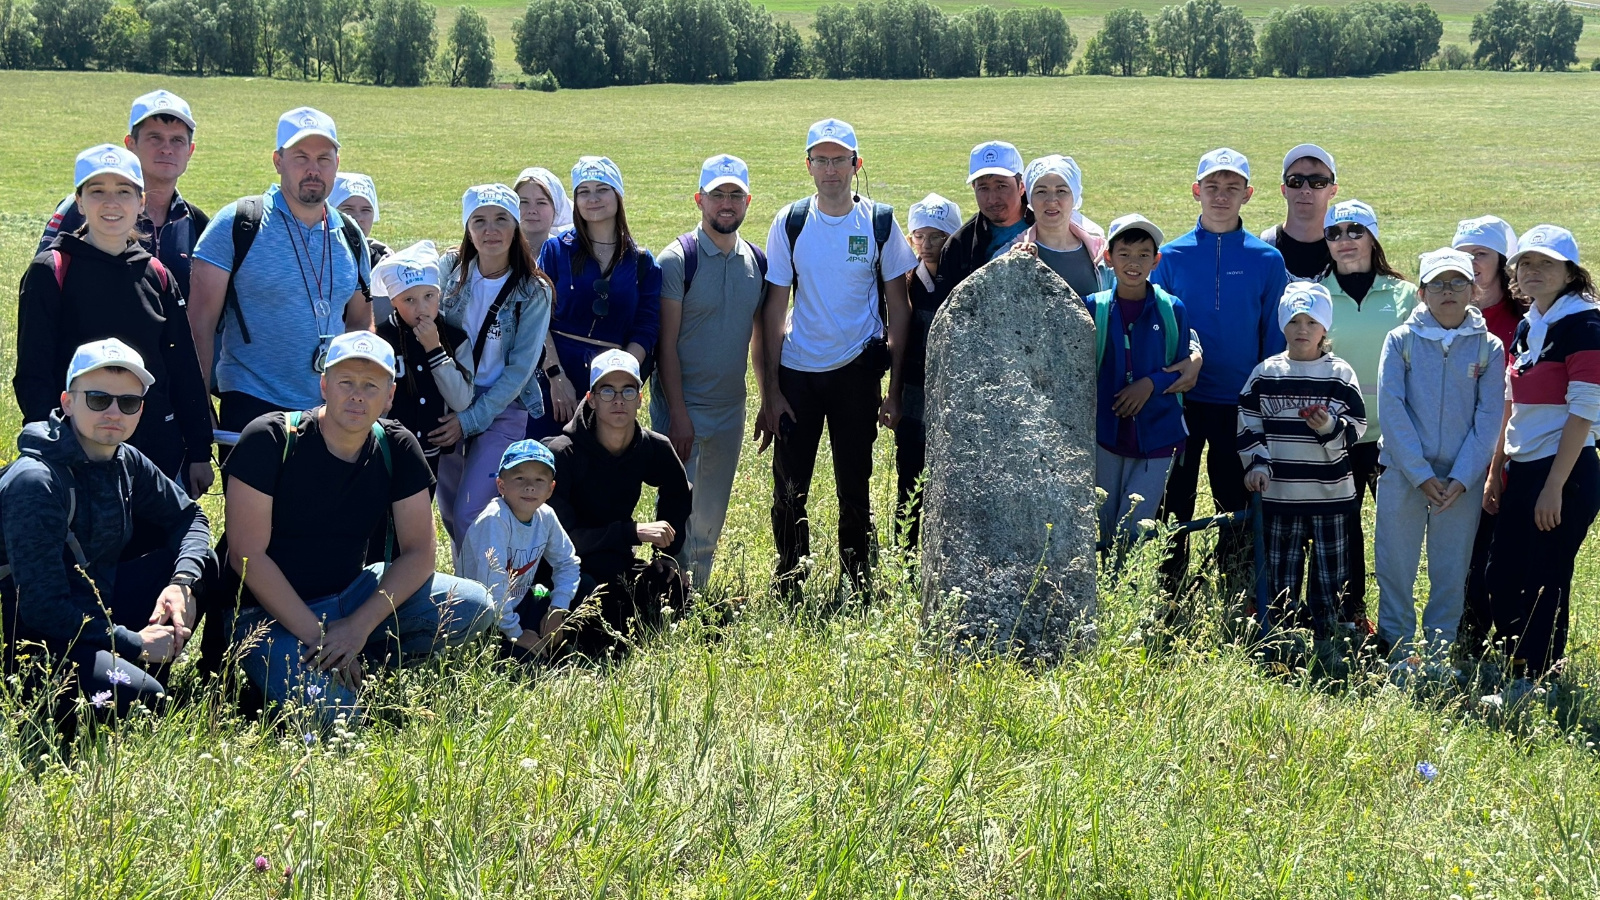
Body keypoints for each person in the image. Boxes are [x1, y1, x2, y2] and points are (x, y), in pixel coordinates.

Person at [218, 331, 494, 725]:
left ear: (390, 394)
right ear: (325, 384)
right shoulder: (271, 438)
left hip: (353, 595)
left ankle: (360, 659)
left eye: (371, 385)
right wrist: (319, 636)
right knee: (342, 721)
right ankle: (324, 669)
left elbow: (420, 553)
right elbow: (248, 556)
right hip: (266, 613)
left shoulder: (396, 446)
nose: (357, 395)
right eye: (346, 382)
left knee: (476, 606)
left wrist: (356, 628)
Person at [0, 340, 210, 720]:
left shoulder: (126, 460)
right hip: (36, 644)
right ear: (67, 402)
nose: (114, 412)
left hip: (98, 610)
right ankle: (137, 667)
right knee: (148, 700)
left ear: (141, 409)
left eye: (127, 403)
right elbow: (41, 610)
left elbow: (190, 517)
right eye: (98, 399)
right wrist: (134, 643)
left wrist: (180, 584)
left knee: (203, 563)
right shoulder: (36, 482)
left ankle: (146, 662)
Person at [756, 118, 918, 598]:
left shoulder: (881, 224)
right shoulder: (790, 222)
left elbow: (900, 310)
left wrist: (893, 391)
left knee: (856, 485)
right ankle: (790, 577)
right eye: (821, 160)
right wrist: (770, 393)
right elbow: (772, 311)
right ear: (808, 167)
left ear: (856, 164)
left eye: (840, 159)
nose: (831, 170)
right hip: (797, 374)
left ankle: (860, 580)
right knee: (789, 488)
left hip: (856, 374)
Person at [15, 144, 213, 497]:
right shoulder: (53, 271)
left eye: (124, 192)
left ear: (141, 202)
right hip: (77, 453)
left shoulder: (157, 275)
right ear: (79, 201)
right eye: (97, 191)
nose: (111, 203)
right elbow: (34, 372)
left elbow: (182, 365)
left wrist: (199, 450)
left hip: (154, 454)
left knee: (153, 549)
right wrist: (53, 448)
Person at [1151, 148, 1289, 597]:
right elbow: (1161, 329)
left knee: (1236, 498)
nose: (1221, 196)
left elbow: (1273, 335)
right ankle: (1169, 588)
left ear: (1248, 195)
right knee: (1175, 500)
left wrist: (1264, 401)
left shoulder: (1267, 261)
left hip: (1240, 403)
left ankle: (1236, 590)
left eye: (1232, 188)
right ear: (1196, 192)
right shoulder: (1168, 257)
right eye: (1212, 187)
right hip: (1181, 400)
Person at [188, 107, 374, 433]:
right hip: (252, 407)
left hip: (330, 415)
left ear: (337, 165)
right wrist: (199, 411)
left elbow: (360, 322)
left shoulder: (350, 234)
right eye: (301, 157)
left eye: (324, 159)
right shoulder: (237, 225)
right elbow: (198, 327)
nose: (313, 170)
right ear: (278, 161)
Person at [1374, 248, 1504, 671]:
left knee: (1450, 570)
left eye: (1458, 282)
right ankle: (1396, 650)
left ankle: (1438, 655)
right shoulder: (1400, 340)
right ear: (1423, 291)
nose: (1448, 292)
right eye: (1438, 284)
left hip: (1460, 482)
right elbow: (1391, 409)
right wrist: (1419, 473)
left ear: (1473, 288)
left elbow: (1489, 417)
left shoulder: (1489, 346)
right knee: (1395, 564)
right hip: (1404, 474)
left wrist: (1465, 476)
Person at [1484, 225, 1600, 689]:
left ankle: (1535, 678)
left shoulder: (1586, 325)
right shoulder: (1532, 322)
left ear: (1570, 272)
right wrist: (1497, 469)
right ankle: (1518, 662)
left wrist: (1553, 486)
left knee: (1544, 578)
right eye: (1525, 263)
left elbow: (1585, 410)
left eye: (1546, 263)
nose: (1532, 272)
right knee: (1502, 573)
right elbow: (1511, 403)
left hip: (1565, 471)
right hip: (1523, 467)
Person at [648, 154, 769, 589]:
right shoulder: (678, 260)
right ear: (699, 200)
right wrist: (678, 414)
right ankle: (663, 594)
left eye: (736, 195)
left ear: (748, 201)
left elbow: (760, 340)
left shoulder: (758, 262)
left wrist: (768, 400)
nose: (727, 204)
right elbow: (666, 346)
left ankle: (694, 594)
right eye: (718, 194)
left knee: (712, 509)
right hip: (683, 408)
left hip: (729, 409)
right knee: (680, 505)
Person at [1238, 282, 1366, 672]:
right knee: (1281, 572)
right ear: (1282, 325)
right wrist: (1258, 465)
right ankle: (1282, 644)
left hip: (1331, 495)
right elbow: (1248, 425)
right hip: (1281, 495)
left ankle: (1329, 645)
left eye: (1311, 321)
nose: (1302, 329)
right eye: (1294, 320)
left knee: (1331, 576)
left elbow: (1356, 427)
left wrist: (1329, 427)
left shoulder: (1339, 374)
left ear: (1325, 328)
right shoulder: (1266, 374)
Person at [546, 350, 690, 658]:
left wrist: (666, 554)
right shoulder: (564, 454)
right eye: (607, 390)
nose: (618, 400)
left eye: (628, 390)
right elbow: (564, 541)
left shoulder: (651, 446)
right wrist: (633, 532)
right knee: (593, 605)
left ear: (640, 399)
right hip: (563, 570)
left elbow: (678, 489)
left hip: (615, 558)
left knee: (674, 588)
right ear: (592, 398)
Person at [435, 184, 555, 546]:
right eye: (480, 221)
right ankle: (459, 597)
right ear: (467, 229)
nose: (491, 230)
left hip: (503, 406)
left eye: (502, 219)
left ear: (516, 226)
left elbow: (519, 370)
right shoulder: (449, 270)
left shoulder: (535, 290)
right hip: (449, 400)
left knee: (474, 512)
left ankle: (483, 601)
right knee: (452, 511)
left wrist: (470, 420)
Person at [1318, 199, 1417, 629]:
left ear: (1373, 237)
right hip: (1339, 436)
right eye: (1335, 233)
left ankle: (1400, 619)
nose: (1345, 241)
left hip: (1394, 436)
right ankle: (1351, 613)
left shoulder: (1407, 295)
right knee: (1344, 529)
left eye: (1355, 231)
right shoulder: (1317, 294)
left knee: (1398, 532)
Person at [529, 157, 662, 441]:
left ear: (618, 194)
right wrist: (555, 376)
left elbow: (646, 327)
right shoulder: (556, 250)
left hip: (609, 381)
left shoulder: (642, 262)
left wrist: (618, 379)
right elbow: (537, 318)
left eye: (602, 189)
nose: (592, 199)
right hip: (555, 377)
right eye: (583, 191)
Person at [38, 89, 209, 301]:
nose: (167, 149)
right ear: (130, 145)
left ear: (190, 151)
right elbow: (43, 283)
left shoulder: (197, 223)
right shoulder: (80, 210)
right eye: (155, 138)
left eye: (177, 140)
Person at [1086, 215, 1190, 558]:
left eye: (1144, 254)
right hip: (1106, 436)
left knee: (1133, 533)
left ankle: (1126, 599)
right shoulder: (1094, 307)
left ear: (1156, 260)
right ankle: (1105, 603)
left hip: (1158, 439)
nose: (1134, 263)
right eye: (1125, 253)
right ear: (1108, 257)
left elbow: (1182, 369)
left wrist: (1149, 384)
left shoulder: (1172, 310)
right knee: (1103, 528)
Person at [1452, 214, 1524, 654]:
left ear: (1502, 261)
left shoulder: (1523, 319)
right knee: (1464, 558)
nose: (1472, 264)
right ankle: (1468, 639)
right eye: (1463, 255)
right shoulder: (1449, 313)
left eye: (1481, 254)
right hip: (1460, 454)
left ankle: (1514, 645)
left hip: (1511, 456)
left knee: (1502, 559)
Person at [457, 440, 580, 658]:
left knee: (580, 591)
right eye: (519, 478)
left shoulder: (546, 516)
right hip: (482, 615)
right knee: (522, 660)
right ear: (501, 485)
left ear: (551, 488)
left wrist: (557, 609)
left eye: (539, 479)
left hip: (517, 603)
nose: (530, 487)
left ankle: (554, 646)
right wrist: (516, 633)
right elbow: (493, 587)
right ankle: (527, 650)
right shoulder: (495, 520)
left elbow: (567, 562)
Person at [370, 240, 472, 474]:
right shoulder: (380, 339)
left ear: (439, 294)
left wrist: (434, 349)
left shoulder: (456, 339)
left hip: (429, 453)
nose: (422, 307)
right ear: (393, 301)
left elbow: (461, 401)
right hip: (384, 450)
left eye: (429, 296)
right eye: (409, 300)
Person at [895, 192, 962, 547]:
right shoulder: (904, 283)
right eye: (920, 236)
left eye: (939, 236)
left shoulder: (962, 283)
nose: (928, 244)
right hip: (911, 396)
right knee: (909, 477)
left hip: (951, 398)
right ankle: (903, 554)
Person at [929, 141, 1031, 302]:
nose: (992, 199)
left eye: (1001, 186)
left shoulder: (1050, 228)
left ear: (1021, 186)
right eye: (983, 188)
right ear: (973, 188)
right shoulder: (959, 246)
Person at [1014, 154, 1111, 300]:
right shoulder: (1012, 254)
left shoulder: (1101, 254)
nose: (1051, 200)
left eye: (1061, 191)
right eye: (1041, 191)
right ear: (1030, 199)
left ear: (1075, 197)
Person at [1260, 144, 1337, 280]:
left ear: (1333, 191)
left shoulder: (1347, 250)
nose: (1305, 189)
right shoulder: (1262, 248)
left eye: (1318, 182)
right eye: (1295, 181)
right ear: (1284, 190)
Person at [329, 172, 392, 321]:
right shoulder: (311, 258)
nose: (357, 218)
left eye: (366, 210)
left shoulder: (384, 262)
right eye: (348, 209)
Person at [513, 166, 573, 251]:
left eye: (541, 203)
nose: (531, 210)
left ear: (556, 209)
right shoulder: (499, 251)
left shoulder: (568, 253)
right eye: (524, 202)